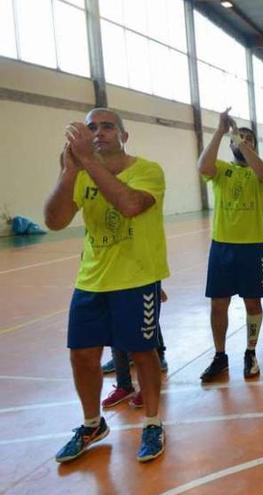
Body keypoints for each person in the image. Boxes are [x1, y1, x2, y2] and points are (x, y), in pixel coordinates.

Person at [45, 108, 169, 463]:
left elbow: (130, 205)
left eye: (107, 127)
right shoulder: (81, 174)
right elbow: (54, 221)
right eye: (91, 128)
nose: (98, 132)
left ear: (124, 135)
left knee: (143, 353)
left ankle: (152, 422)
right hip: (91, 279)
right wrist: (69, 171)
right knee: (81, 355)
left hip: (137, 277)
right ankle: (91, 424)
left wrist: (87, 161)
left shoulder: (148, 170)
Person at [197, 109, 263, 382]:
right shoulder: (221, 169)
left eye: (249, 139)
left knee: (252, 303)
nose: (243, 141)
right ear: (230, 144)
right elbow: (203, 167)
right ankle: (220, 356)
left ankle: (250, 351)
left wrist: (242, 142)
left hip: (252, 248)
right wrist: (221, 132)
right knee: (218, 304)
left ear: (254, 145)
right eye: (239, 138)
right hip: (222, 247)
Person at [101, 289, 169, 409]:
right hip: (113, 282)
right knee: (116, 325)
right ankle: (123, 385)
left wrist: (157, 287)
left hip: (141, 282)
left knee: (143, 325)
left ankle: (149, 384)